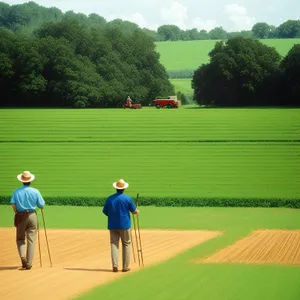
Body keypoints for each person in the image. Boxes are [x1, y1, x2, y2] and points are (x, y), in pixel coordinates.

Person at [10, 171, 45, 270]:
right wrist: (40, 207)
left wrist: (17, 212)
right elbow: (41, 205)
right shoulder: (35, 191)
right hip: (32, 215)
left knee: (20, 238)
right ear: (30, 181)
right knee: (31, 240)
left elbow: (13, 204)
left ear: (22, 181)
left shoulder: (16, 191)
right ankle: (29, 263)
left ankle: (23, 257)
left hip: (21, 215)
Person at [102, 179, 138, 273]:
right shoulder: (127, 198)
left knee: (114, 244)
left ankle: (115, 265)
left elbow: (105, 212)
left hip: (112, 225)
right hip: (125, 225)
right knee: (126, 244)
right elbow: (134, 211)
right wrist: (136, 210)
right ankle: (125, 266)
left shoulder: (109, 198)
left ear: (116, 188)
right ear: (123, 189)